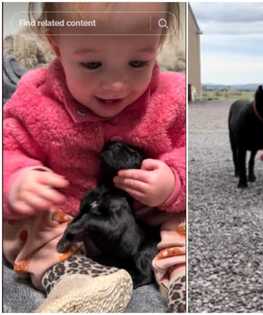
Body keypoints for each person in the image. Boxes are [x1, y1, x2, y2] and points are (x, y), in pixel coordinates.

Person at [2, 3, 185, 312]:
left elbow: (186, 152)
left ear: (160, 41)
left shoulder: (171, 98)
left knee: (185, 221)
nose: (116, 85)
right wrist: (17, 179)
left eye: (138, 62)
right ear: (55, 43)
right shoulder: (34, 96)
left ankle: (183, 278)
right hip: (66, 221)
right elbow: (9, 148)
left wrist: (174, 182)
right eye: (92, 64)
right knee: (24, 224)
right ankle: (74, 278)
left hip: (144, 221)